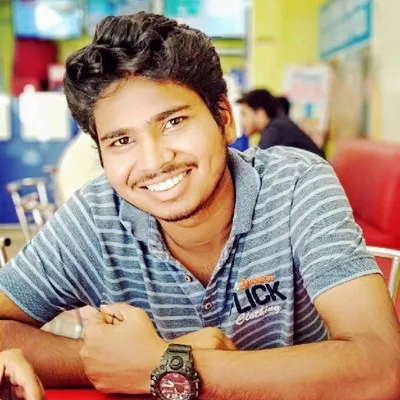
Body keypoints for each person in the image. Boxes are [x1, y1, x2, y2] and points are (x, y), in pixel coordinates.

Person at [0, 12, 399, 400]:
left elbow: (382, 366)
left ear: (224, 119)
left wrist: (166, 365)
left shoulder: (295, 184)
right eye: (122, 141)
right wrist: (106, 363)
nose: (154, 161)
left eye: (173, 122)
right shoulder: (96, 216)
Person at [238, 89, 326, 158]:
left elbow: (260, 167)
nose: (241, 120)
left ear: (260, 113)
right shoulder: (280, 126)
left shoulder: (275, 130)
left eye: (244, 114)